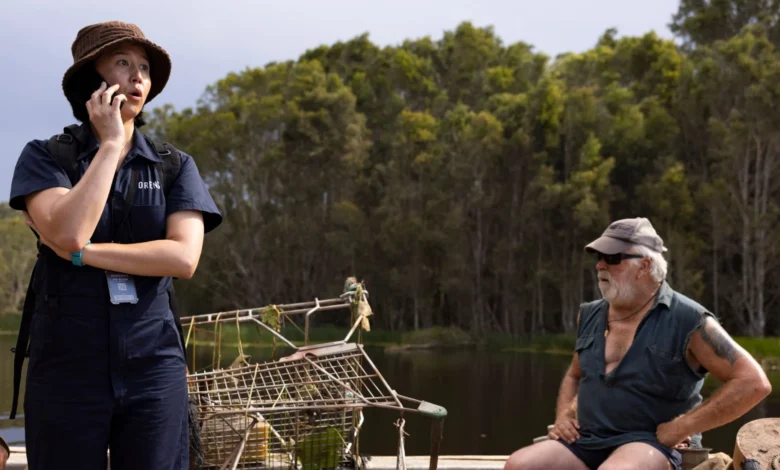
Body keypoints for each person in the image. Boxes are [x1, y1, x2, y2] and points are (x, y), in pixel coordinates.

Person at [9, 21, 222, 470]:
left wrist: (82, 254)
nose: (138, 76)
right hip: (66, 365)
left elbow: (182, 258)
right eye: (123, 63)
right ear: (92, 80)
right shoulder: (46, 156)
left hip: (154, 365)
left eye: (144, 67)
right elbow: (70, 229)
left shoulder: (174, 165)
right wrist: (109, 144)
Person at [504, 218, 772, 470]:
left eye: (612, 258)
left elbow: (753, 383)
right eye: (599, 258)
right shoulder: (589, 315)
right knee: (520, 465)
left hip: (652, 444)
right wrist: (564, 416)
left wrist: (681, 427)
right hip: (589, 440)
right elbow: (576, 374)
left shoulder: (690, 320)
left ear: (644, 266)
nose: (600, 266)